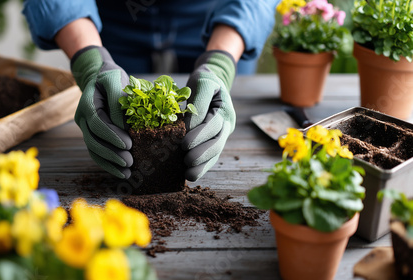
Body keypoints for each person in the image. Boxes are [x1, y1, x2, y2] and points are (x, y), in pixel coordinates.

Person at [22, 0, 279, 183]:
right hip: (108, 21)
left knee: (207, 116)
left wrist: (221, 63)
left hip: (218, 18)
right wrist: (89, 60)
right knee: (113, 113)